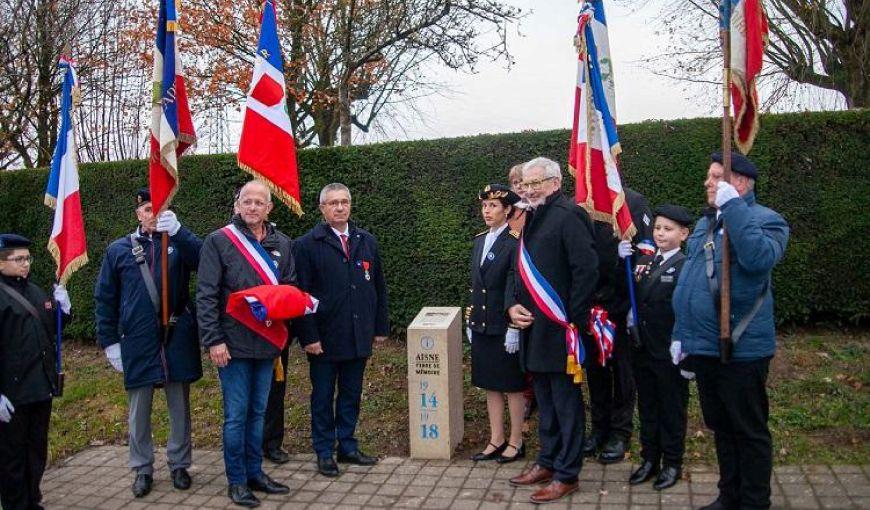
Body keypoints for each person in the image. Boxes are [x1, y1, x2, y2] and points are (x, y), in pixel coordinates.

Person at [672, 152, 789, 510]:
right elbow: (689, 285)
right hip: (704, 346)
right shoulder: (709, 224)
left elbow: (758, 258)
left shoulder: (767, 220)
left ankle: (754, 502)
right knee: (722, 428)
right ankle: (729, 496)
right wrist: (681, 335)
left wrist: (735, 209)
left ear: (738, 183)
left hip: (742, 350)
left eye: (715, 176)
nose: (707, 183)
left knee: (748, 431)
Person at [94, 189, 203, 498]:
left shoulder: (179, 243)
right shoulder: (118, 250)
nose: (153, 213)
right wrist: (109, 341)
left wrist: (181, 232)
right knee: (139, 409)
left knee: (179, 406)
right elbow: (105, 298)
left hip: (176, 336)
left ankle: (179, 464)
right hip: (138, 340)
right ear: (138, 214)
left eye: (159, 207)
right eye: (146, 208)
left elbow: (205, 259)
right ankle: (142, 467)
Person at [506, 157, 598, 504]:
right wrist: (512, 306)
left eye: (535, 184)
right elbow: (519, 269)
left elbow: (586, 270)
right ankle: (547, 461)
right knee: (544, 399)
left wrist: (572, 321)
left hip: (560, 329)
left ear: (555, 183)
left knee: (565, 403)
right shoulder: (530, 217)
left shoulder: (569, 215)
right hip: (533, 328)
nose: (528, 190)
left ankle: (567, 473)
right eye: (525, 185)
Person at [197, 180, 294, 508]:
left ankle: (256, 473)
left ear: (269, 208)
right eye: (247, 201)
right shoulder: (219, 242)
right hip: (232, 346)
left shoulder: (283, 244)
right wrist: (213, 340)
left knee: (258, 413)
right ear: (237, 205)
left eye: (259, 202)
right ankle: (236, 481)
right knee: (236, 416)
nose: (252, 207)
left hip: (267, 344)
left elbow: (289, 289)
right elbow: (206, 295)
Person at [292, 183, 389, 478]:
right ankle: (324, 451)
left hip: (358, 334)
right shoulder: (307, 244)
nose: (339, 207)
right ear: (322, 208)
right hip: (324, 338)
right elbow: (301, 295)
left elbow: (379, 287)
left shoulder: (366, 241)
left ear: (350, 205)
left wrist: (379, 327)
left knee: (351, 394)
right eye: (332, 203)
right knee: (322, 397)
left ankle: (347, 445)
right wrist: (309, 336)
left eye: (344, 202)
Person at [584, 188, 654, 464]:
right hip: (593, 303)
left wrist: (636, 304)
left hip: (623, 303)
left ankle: (620, 433)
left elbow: (647, 251)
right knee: (596, 371)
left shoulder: (633, 202)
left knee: (623, 373)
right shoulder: (584, 204)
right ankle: (599, 429)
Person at [0, 234, 69, 510]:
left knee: (35, 451)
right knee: (11, 458)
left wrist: (64, 308)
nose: (25, 264)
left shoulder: (35, 291)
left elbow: (51, 327)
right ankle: (16, 504)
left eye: (27, 258)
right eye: (18, 259)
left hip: (40, 387)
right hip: (12, 393)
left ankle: (33, 500)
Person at [628, 204, 693, 490]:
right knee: (648, 405)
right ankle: (649, 458)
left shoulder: (686, 266)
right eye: (657, 228)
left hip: (670, 351)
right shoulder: (647, 261)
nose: (660, 234)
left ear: (684, 234)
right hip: (643, 348)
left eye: (668, 229)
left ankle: (673, 462)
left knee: (672, 408)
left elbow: (690, 309)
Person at [466, 184, 526, 464]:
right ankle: (496, 439)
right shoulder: (479, 240)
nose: (487, 211)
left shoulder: (515, 241)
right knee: (490, 384)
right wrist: (471, 318)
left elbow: (516, 286)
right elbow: (476, 286)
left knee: (512, 385)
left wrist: (514, 327)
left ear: (507, 210)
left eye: (493, 206)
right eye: (484, 206)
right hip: (482, 324)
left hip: (504, 326)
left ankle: (516, 440)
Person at [262, 342, 291, 464]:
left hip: (275, 338)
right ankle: (244, 443)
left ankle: (272, 443)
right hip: (241, 342)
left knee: (275, 393)